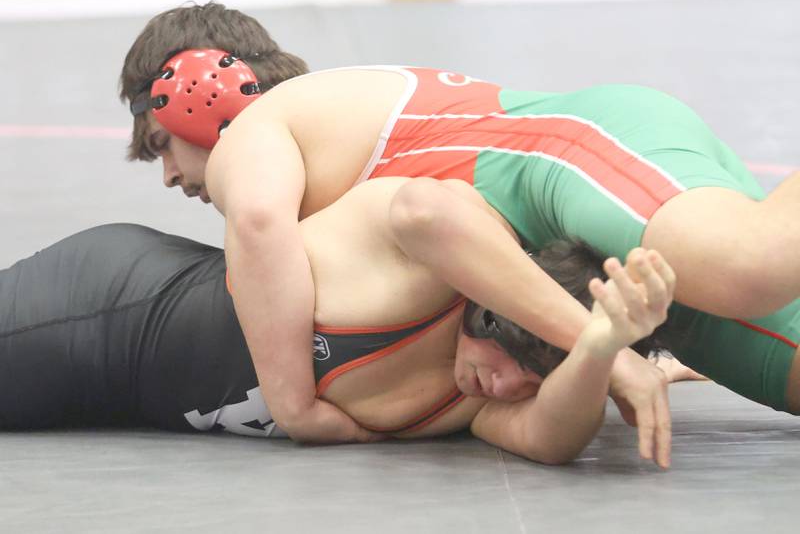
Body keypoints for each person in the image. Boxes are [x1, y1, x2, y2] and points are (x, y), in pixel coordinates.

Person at [119, 3, 800, 442]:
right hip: (595, 235)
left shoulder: (262, 130)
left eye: (160, 144)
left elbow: (260, 223)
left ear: (199, 88)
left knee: (753, 266)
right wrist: (606, 346)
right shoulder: (321, 175)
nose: (172, 177)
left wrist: (293, 404)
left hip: (566, 169)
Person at [0, 175, 677, 468]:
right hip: (109, 308)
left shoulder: (467, 403)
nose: (503, 388)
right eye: (516, 362)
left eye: (531, 383)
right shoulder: (430, 265)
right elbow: (423, 210)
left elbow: (551, 440)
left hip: (116, 394)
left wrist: (600, 347)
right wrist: (601, 352)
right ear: (495, 310)